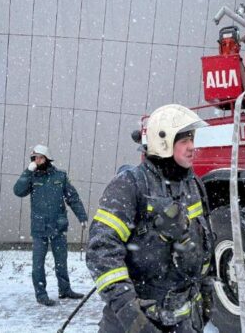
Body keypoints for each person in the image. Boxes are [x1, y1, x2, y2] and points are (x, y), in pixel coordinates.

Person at [86, 104, 215, 332]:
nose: (192, 147)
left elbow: (204, 245)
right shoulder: (130, 185)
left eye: (192, 139)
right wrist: (130, 314)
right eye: (183, 141)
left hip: (184, 322)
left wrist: (206, 292)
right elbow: (102, 251)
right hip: (137, 323)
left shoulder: (193, 185)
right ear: (162, 142)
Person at [13, 144, 88, 306]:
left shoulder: (60, 176)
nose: (37, 161)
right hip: (39, 228)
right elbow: (18, 191)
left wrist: (82, 216)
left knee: (61, 261)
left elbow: (72, 198)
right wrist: (27, 171)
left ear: (47, 158)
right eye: (34, 158)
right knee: (38, 263)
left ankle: (65, 290)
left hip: (58, 226)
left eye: (40, 158)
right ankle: (41, 294)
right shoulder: (32, 177)